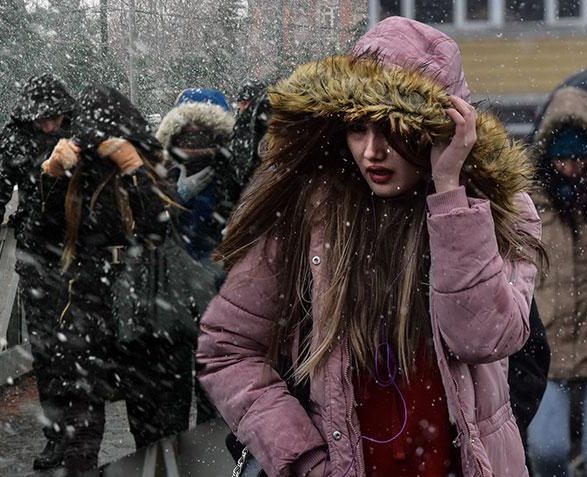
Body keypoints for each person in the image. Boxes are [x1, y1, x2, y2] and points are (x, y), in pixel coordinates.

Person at [196, 16, 544, 477]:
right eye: (358, 128)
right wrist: (306, 460)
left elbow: (485, 339)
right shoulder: (312, 213)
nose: (371, 151)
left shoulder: (499, 212)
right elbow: (227, 349)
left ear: (438, 130)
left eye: (392, 129)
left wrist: (448, 195)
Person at [35, 84, 178, 474]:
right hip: (88, 302)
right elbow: (42, 235)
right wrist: (52, 174)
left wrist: (134, 170)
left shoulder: (150, 167)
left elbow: (158, 231)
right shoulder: (76, 177)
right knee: (80, 424)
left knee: (151, 422)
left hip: (142, 307)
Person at [0, 73, 78, 472]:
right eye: (42, 121)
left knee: (80, 347)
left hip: (81, 253)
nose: (50, 127)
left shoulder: (81, 129)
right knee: (48, 351)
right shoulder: (14, 137)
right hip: (38, 256)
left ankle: (80, 432)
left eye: (55, 119)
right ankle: (57, 436)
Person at [527, 84, 587, 476]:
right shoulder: (530, 202)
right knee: (546, 450)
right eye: (563, 156)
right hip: (550, 346)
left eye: (580, 156)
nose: (571, 166)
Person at [155, 88, 236, 424]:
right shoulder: (163, 173)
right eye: (188, 134)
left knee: (209, 388)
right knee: (176, 391)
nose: (195, 142)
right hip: (180, 292)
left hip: (212, 292)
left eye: (204, 134)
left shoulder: (231, 175)